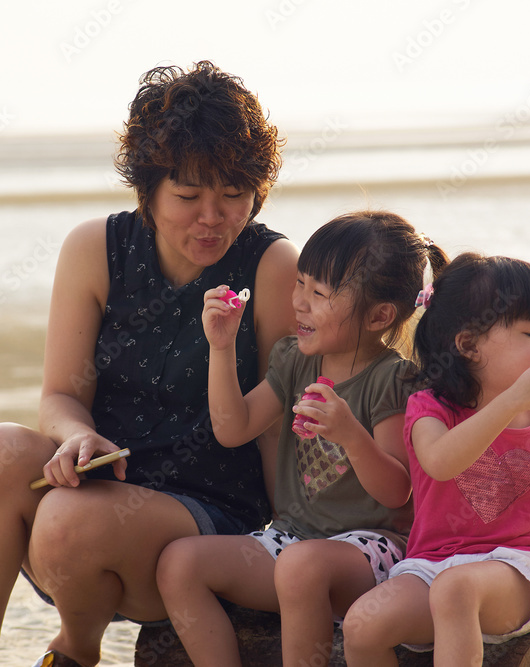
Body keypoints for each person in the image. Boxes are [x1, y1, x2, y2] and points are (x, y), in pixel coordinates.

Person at [0, 61, 299, 667]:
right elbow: (59, 395)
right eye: (188, 196)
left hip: (204, 518)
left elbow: (274, 427)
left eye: (233, 195)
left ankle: (75, 649)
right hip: (100, 478)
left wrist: (293, 541)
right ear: (148, 190)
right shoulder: (95, 250)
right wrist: (78, 436)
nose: (212, 218)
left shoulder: (271, 267)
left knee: (68, 521)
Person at [156, 211, 449, 667]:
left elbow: (398, 494)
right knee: (179, 564)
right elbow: (233, 428)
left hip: (372, 552)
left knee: (301, 567)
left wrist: (351, 435)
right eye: (300, 283)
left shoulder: (392, 379)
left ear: (379, 316)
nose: (299, 302)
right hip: (293, 542)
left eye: (319, 293)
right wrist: (222, 347)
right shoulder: (294, 360)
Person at [343, 252, 530, 667]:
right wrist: (511, 401)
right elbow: (441, 462)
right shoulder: (429, 409)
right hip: (431, 565)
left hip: (517, 571)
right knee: (362, 626)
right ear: (467, 345)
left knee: (456, 589)